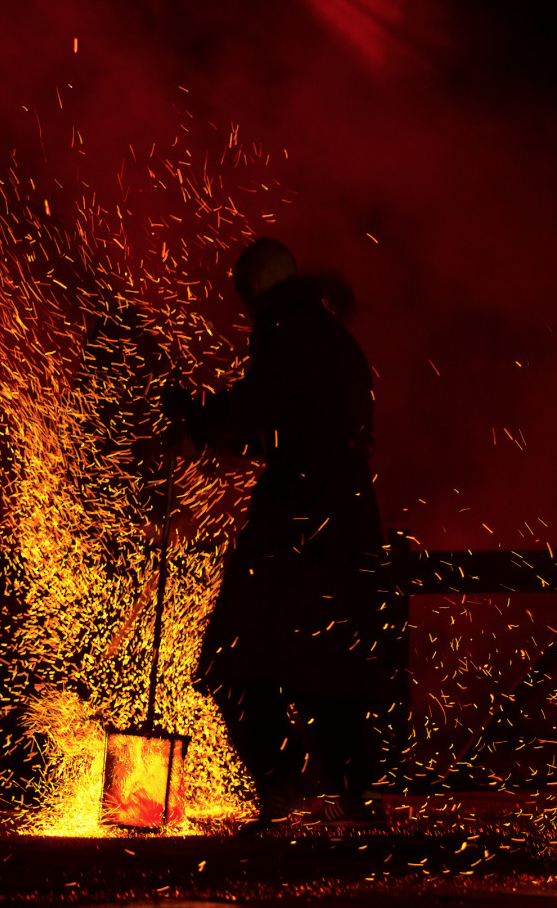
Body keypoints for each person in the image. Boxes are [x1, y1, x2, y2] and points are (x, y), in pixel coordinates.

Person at [166, 238, 391, 828]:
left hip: (297, 524)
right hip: (348, 525)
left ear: (252, 291)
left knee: (231, 658)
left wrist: (193, 417)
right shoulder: (334, 339)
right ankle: (357, 796)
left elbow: (248, 413)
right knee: (328, 662)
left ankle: (281, 785)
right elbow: (288, 423)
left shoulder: (288, 335)